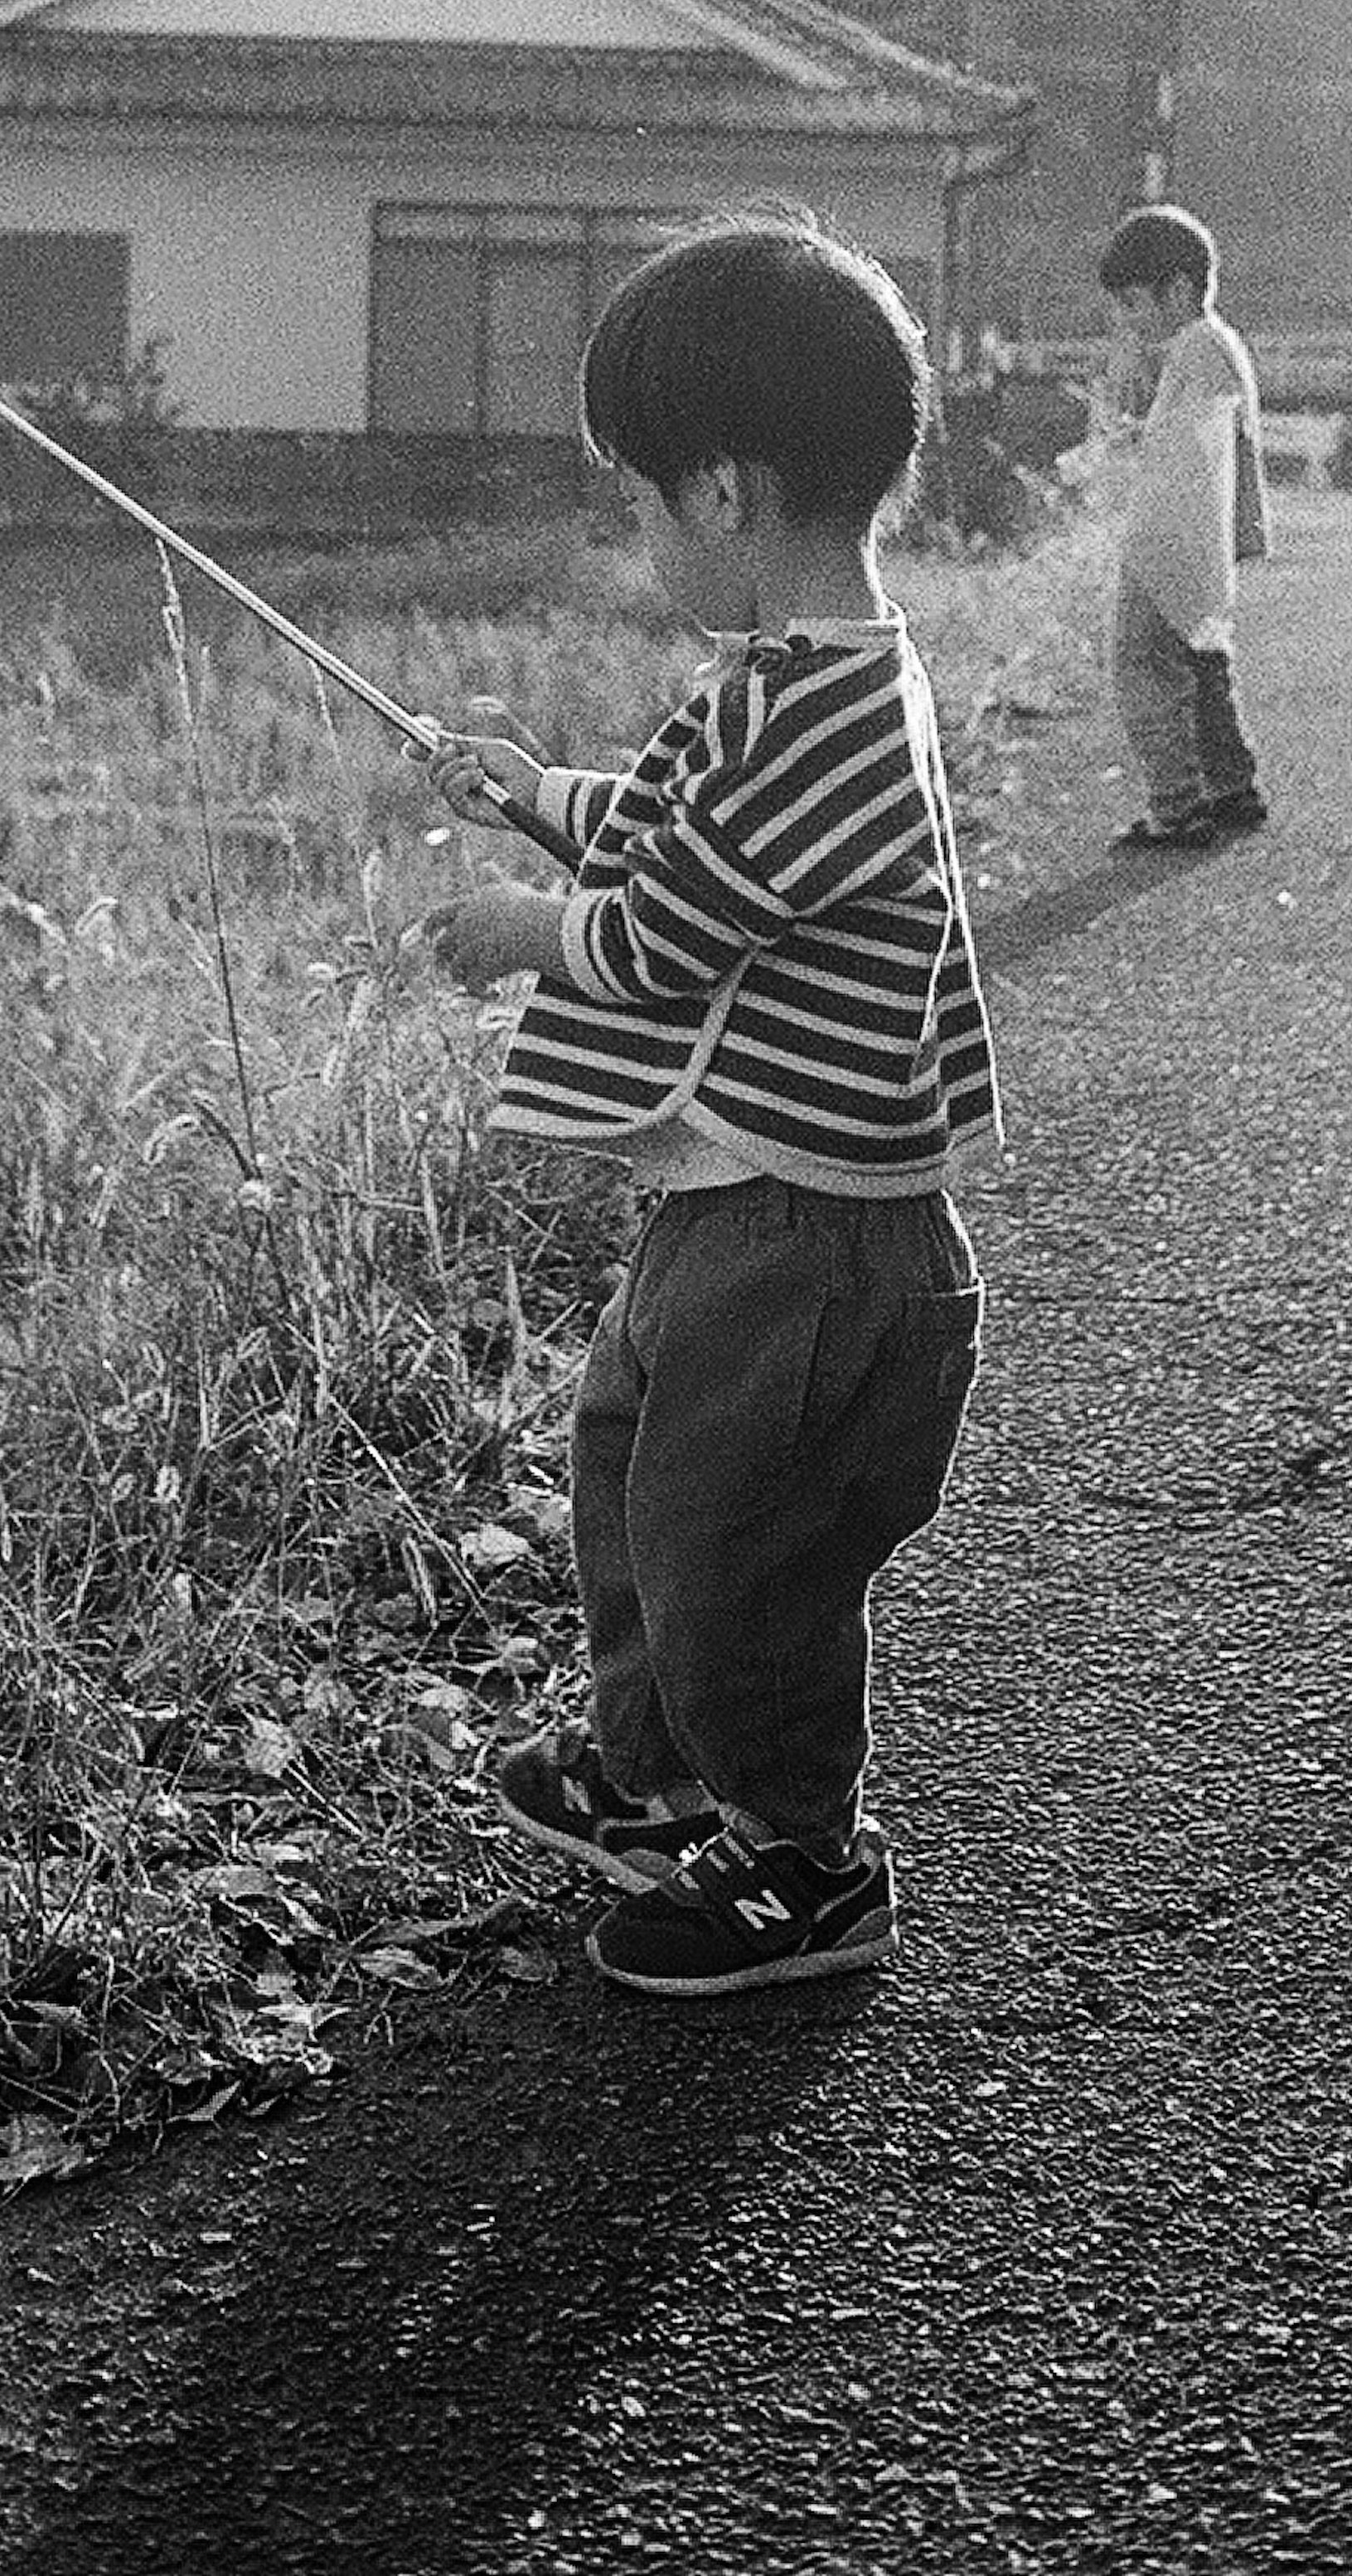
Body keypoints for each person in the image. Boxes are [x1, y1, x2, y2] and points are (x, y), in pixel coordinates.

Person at [419, 214, 999, 2001]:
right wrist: (538, 799)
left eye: (646, 505)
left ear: (729, 494)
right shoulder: (782, 688)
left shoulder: (828, 717)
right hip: (747, 1212)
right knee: (634, 1474)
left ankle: (803, 1863)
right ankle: (660, 1771)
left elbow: (672, 929)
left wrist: (524, 930)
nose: (647, 540)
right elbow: (685, 832)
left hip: (816, 1249)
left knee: (734, 1555)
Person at [1096, 201, 1272, 847]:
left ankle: (1177, 803)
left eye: (1136, 304)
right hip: (1202, 542)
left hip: (1168, 540)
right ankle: (1232, 787)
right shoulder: (1220, 344)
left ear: (1179, 290)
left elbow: (1168, 454)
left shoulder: (1194, 350)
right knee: (1202, 664)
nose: (1127, 322)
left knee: (1139, 663)